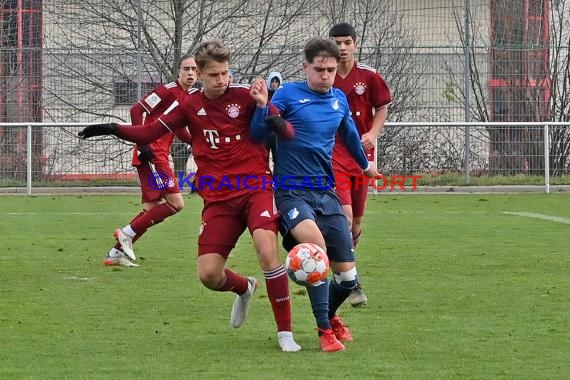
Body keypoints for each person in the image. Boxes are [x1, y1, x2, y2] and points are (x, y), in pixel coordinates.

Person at [78, 40, 301, 352]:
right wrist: (110, 127)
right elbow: (149, 132)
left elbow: (287, 132)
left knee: (266, 250)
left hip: (256, 189)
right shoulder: (188, 105)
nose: (222, 80)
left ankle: (285, 334)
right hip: (219, 199)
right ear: (200, 73)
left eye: (225, 73)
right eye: (214, 75)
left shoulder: (245, 96)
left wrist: (268, 110)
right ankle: (245, 287)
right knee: (209, 275)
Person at [250, 37, 377, 352]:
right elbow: (257, 133)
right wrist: (264, 108)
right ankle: (324, 332)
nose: (325, 75)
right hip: (291, 192)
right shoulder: (289, 94)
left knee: (348, 279)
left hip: (325, 191)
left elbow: (349, 134)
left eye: (331, 70)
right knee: (315, 249)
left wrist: (365, 166)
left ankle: (331, 316)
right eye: (319, 69)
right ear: (306, 66)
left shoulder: (339, 100)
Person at [105, 53, 198, 267]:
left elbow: (180, 130)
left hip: (157, 154)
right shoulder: (166, 90)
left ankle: (115, 254)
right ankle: (126, 233)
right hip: (153, 154)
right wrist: (143, 144)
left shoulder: (190, 98)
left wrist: (197, 141)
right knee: (176, 204)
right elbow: (136, 109)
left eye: (194, 70)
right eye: (186, 69)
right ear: (179, 72)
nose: (191, 73)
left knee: (151, 208)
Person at [329, 22, 392, 306]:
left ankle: (344, 265)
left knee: (355, 224)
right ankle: (352, 284)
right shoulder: (325, 76)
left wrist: (373, 133)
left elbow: (382, 107)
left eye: (346, 42)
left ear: (356, 44)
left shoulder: (369, 76)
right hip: (333, 154)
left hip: (361, 157)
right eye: (337, 42)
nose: (341, 47)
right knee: (342, 216)